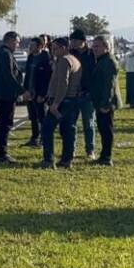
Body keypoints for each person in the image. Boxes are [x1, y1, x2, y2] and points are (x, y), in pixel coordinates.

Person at [41, 37, 83, 169]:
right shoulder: (75, 60)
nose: (53, 51)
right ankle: (67, 159)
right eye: (52, 48)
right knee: (67, 130)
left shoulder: (64, 61)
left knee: (47, 129)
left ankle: (48, 160)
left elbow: (63, 83)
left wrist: (56, 103)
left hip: (62, 101)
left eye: (55, 48)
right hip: (72, 101)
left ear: (64, 48)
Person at [0, 31, 27, 164]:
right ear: (10, 40)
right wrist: (21, 91)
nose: (18, 45)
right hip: (5, 95)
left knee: (3, 124)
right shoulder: (5, 54)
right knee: (5, 124)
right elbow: (8, 76)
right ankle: (2, 154)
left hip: (2, 94)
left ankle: (2, 152)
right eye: (17, 42)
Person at [90, 36, 118, 166]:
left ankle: (107, 157)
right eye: (94, 46)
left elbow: (109, 84)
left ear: (106, 47)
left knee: (106, 130)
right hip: (100, 101)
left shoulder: (107, 61)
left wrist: (105, 103)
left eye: (97, 46)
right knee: (103, 129)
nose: (94, 48)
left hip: (105, 103)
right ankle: (104, 155)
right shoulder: (101, 60)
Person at [69, 29, 97, 160]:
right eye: (71, 41)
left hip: (88, 95)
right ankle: (71, 149)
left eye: (75, 41)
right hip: (73, 94)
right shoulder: (70, 55)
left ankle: (90, 150)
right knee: (71, 123)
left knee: (89, 124)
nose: (72, 43)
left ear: (83, 42)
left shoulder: (92, 55)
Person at [23, 36, 52, 147]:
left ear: (40, 46)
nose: (30, 47)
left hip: (40, 94)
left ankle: (44, 139)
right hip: (30, 92)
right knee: (33, 117)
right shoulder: (30, 57)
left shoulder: (45, 59)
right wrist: (25, 91)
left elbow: (47, 79)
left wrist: (43, 94)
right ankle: (34, 138)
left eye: (32, 45)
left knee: (42, 117)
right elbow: (27, 75)